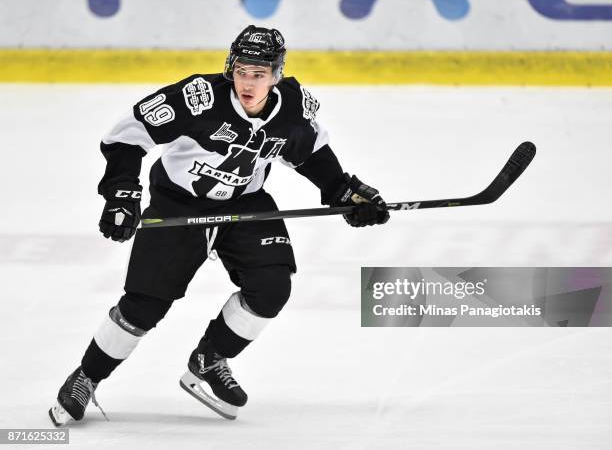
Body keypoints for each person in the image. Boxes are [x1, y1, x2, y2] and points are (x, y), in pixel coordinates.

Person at [48, 25, 389, 425]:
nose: (248, 82)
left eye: (259, 74)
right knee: (144, 306)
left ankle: (209, 360)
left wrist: (343, 191)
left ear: (276, 75)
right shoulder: (198, 99)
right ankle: (86, 377)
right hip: (178, 205)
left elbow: (309, 152)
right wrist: (122, 191)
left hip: (246, 207)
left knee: (272, 288)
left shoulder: (294, 108)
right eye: (242, 71)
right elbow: (127, 135)